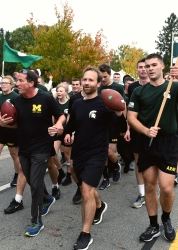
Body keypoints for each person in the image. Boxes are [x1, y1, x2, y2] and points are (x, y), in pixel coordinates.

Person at [53, 66, 127, 250]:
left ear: (98, 83)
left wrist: (119, 113)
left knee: (86, 191)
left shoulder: (105, 103)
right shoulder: (77, 103)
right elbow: (72, 124)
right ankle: (99, 205)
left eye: (90, 80)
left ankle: (85, 233)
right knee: (81, 183)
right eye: (84, 79)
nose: (86, 83)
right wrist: (63, 131)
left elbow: (121, 127)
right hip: (79, 152)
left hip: (97, 153)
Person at [127, 53, 178, 243]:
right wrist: (146, 130)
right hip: (147, 142)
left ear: (162, 67)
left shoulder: (173, 87)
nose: (149, 68)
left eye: (153, 65)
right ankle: (153, 225)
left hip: (168, 143)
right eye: (146, 66)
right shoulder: (139, 92)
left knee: (166, 188)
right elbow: (131, 118)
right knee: (150, 186)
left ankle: (166, 219)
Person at [0, 69, 65, 237]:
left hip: (42, 147)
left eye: (20, 80)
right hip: (25, 147)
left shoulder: (45, 98)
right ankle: (47, 198)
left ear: (31, 83)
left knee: (35, 183)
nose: (17, 83)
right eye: (16, 80)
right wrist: (4, 124)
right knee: (30, 180)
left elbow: (60, 116)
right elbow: (17, 125)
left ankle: (36, 221)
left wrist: (58, 125)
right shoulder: (18, 101)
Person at [97, 64, 124, 189]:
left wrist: (125, 125)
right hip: (101, 123)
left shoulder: (118, 87)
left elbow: (123, 107)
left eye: (105, 77)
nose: (103, 79)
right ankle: (105, 178)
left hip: (114, 123)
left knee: (110, 152)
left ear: (110, 75)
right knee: (102, 152)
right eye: (101, 77)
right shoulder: (98, 88)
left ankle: (116, 165)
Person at [128, 58, 149, 208]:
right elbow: (130, 110)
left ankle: (153, 189)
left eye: (145, 67)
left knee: (153, 161)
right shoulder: (132, 88)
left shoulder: (156, 85)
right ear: (136, 70)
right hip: (136, 128)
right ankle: (142, 194)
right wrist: (128, 128)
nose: (142, 69)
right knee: (138, 161)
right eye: (140, 67)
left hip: (153, 130)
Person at [0, 75, 20, 186]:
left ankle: (17, 175)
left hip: (12, 130)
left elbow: (18, 116)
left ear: (11, 85)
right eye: (2, 83)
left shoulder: (15, 97)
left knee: (14, 154)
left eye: (5, 83)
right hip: (1, 129)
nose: (3, 85)